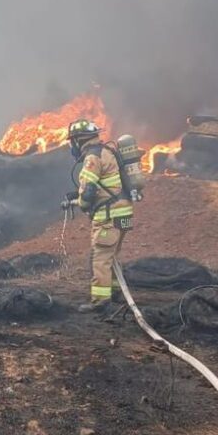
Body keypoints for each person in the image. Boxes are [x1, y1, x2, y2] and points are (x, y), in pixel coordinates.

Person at [64, 119, 133, 314]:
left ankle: (101, 301)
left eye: (72, 142)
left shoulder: (92, 157)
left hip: (109, 216)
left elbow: (87, 194)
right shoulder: (108, 151)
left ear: (78, 141)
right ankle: (116, 292)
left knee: (100, 257)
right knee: (111, 255)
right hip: (123, 213)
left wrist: (82, 204)